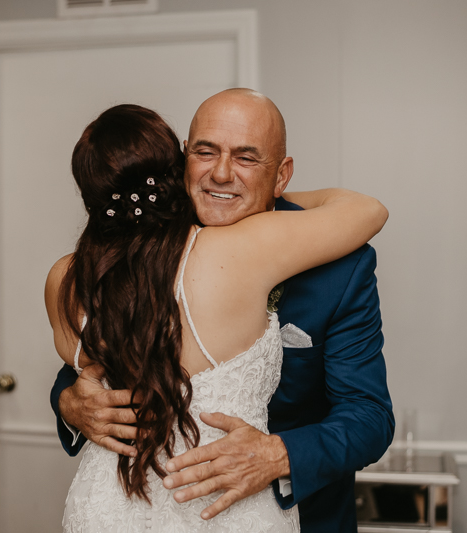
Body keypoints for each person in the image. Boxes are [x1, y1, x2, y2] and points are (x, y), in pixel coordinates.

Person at [50, 89, 395, 532]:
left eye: (247, 158)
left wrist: (279, 454)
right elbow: (95, 361)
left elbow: (369, 415)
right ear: (180, 159)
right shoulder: (141, 242)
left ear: (281, 174)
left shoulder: (343, 264)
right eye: (205, 151)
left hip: (295, 513)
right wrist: (69, 403)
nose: (221, 173)